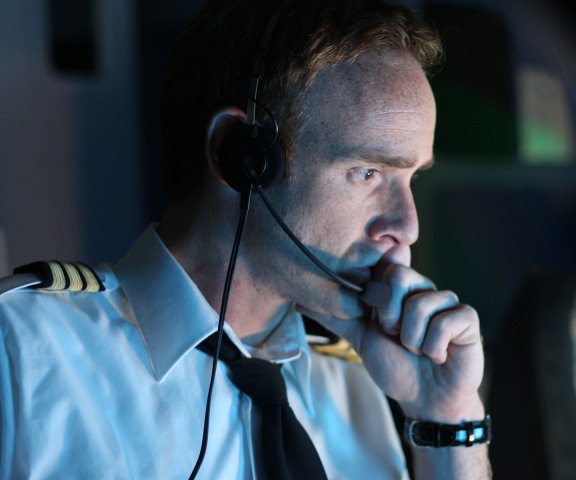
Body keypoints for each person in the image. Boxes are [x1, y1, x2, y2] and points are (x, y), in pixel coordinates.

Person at [0, 0, 491, 478]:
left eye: (412, 178)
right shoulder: (21, 349)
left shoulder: (357, 380)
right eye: (367, 172)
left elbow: (445, 418)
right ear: (239, 156)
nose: (407, 226)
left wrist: (448, 418)